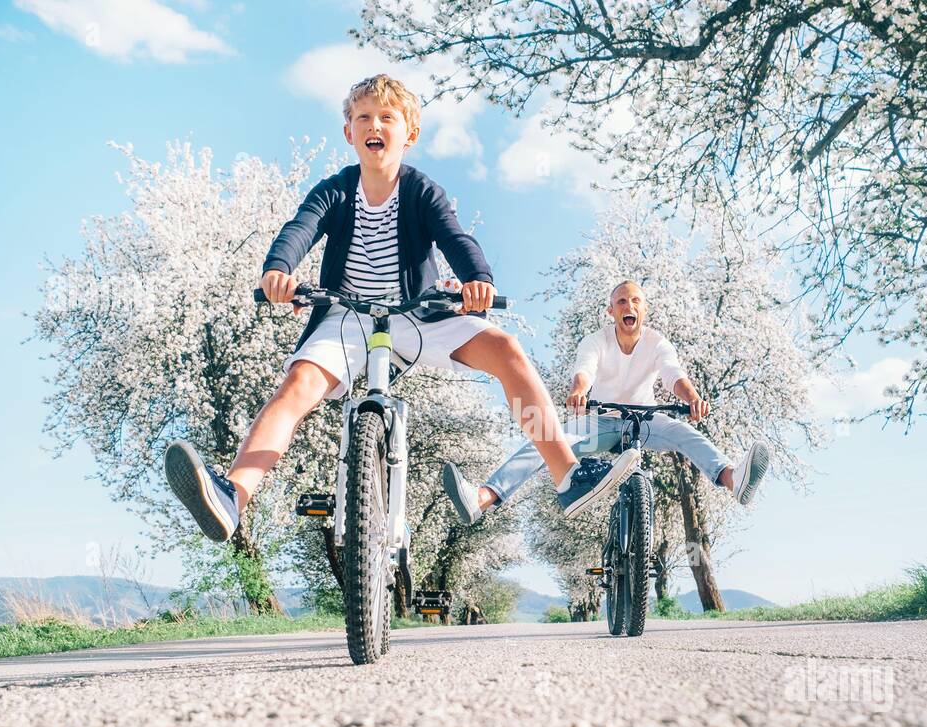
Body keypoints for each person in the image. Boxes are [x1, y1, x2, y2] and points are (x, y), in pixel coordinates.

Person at [163, 74, 637, 541]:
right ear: (349, 132)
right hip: (345, 318)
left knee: (507, 349)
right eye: (364, 117)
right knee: (297, 386)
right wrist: (278, 270)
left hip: (416, 315)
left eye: (387, 117)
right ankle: (234, 496)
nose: (375, 125)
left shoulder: (421, 191)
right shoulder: (335, 190)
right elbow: (299, 228)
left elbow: (455, 236)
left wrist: (477, 280)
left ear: (408, 134)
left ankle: (566, 473)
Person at [442, 280, 769, 525]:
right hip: (600, 420)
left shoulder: (657, 343)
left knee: (686, 435)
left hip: (645, 422)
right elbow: (585, 370)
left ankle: (731, 478)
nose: (629, 305)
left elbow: (673, 375)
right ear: (611, 310)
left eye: (636, 301)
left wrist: (693, 398)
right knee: (546, 440)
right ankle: (483, 498)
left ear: (644, 310)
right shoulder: (596, 340)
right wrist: (579, 391)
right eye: (622, 301)